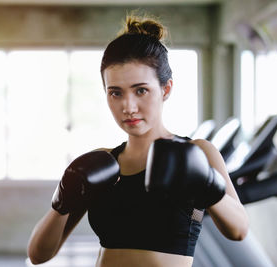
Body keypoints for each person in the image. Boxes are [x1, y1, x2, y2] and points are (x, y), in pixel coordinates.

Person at [27, 14, 249, 267]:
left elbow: (239, 230)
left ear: (165, 89)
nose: (128, 107)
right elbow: (38, 255)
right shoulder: (102, 162)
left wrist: (208, 183)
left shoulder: (198, 152)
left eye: (140, 90)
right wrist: (61, 202)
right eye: (116, 93)